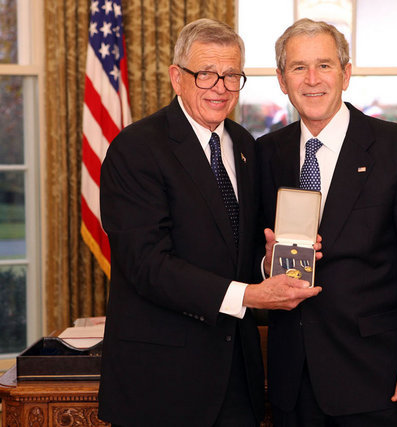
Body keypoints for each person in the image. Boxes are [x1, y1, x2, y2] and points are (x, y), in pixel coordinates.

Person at [98, 18, 321, 427]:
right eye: (205, 74)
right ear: (176, 78)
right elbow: (146, 264)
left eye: (232, 75)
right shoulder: (136, 149)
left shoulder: (246, 146)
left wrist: (267, 264)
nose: (220, 87)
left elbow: (244, 243)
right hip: (162, 384)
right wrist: (250, 295)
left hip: (238, 377)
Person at [257, 18, 397, 426]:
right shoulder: (265, 153)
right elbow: (252, 250)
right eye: (298, 67)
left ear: (345, 74)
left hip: (376, 379)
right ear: (280, 79)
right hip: (293, 380)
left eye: (324, 65)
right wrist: (265, 262)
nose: (312, 79)